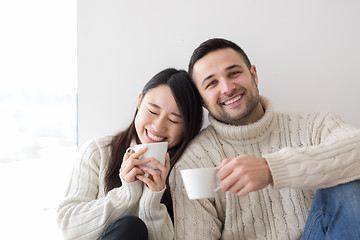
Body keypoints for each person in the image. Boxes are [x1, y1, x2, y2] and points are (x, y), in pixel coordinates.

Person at [169, 38, 360, 239]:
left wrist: (272, 169)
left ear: (254, 75)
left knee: (347, 180)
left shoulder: (315, 126)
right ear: (202, 101)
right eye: (212, 83)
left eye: (234, 73)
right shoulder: (193, 162)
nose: (226, 88)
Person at [57, 68, 203, 240]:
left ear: (188, 127)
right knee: (130, 226)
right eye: (153, 111)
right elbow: (68, 227)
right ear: (140, 102)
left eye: (173, 120)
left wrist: (152, 199)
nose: (158, 126)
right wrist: (126, 194)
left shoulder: (187, 171)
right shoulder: (99, 153)